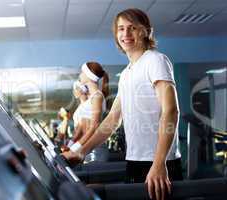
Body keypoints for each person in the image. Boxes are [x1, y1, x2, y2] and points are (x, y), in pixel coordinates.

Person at [63, 8, 183, 200]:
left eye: (132, 28)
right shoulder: (127, 73)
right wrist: (81, 152)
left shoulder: (156, 61)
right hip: (135, 160)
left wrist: (159, 164)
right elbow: (112, 119)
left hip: (159, 163)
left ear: (145, 32)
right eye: (121, 29)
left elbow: (171, 111)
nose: (125, 34)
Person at [66, 61, 109, 154]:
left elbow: (94, 127)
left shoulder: (97, 97)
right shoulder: (93, 98)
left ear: (88, 75)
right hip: (87, 149)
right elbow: (82, 127)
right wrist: (70, 146)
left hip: (94, 151)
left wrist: (73, 149)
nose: (80, 75)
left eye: (82, 72)